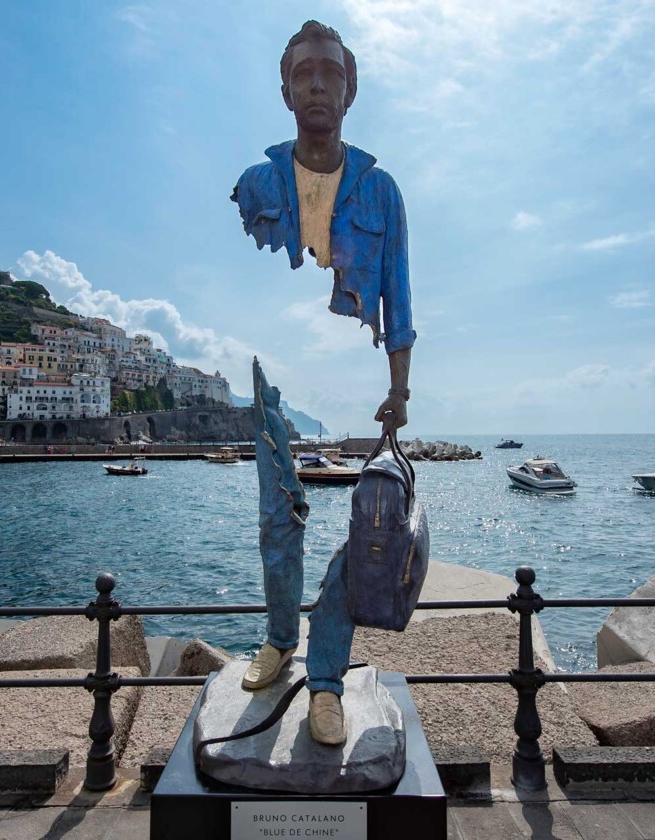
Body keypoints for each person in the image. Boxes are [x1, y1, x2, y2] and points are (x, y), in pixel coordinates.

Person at [232, 20, 416, 746]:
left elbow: (398, 293)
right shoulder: (255, 185)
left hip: (359, 387)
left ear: (350, 89)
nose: (317, 83)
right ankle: (279, 642)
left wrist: (399, 388)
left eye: (330, 72)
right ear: (284, 90)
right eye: (303, 72)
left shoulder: (380, 191)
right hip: (268, 384)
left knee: (360, 539)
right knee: (276, 524)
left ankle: (329, 679)